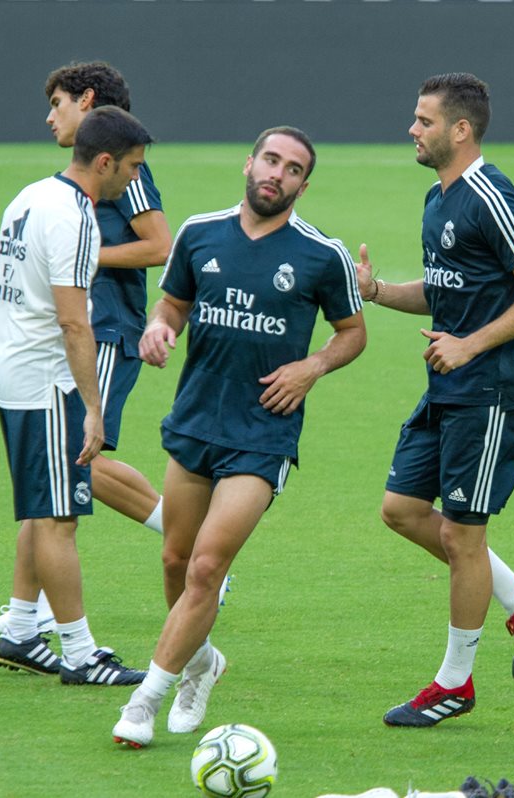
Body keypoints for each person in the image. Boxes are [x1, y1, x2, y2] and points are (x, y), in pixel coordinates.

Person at [112, 126, 366, 748]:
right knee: (175, 559)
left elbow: (352, 333)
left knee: (206, 565)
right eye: (271, 160)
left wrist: (313, 366)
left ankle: (146, 698)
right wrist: (158, 329)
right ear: (249, 163)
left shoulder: (320, 254)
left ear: (305, 184)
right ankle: (201, 663)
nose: (278, 174)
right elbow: (172, 305)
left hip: (263, 434)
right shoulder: (200, 234)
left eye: (294, 169)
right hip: (197, 419)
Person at [358, 73, 514, 727]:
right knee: (401, 509)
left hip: (489, 393)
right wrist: (381, 290)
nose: (411, 130)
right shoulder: (437, 197)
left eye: (422, 120)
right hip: (447, 387)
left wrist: (470, 346)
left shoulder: (490, 195)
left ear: (460, 129)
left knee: (463, 534)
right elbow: (448, 286)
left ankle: (455, 684)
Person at [0, 61, 174, 636]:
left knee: (69, 465)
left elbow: (160, 245)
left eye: (58, 102)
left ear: (86, 103)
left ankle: (184, 544)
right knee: (55, 473)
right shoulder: (67, 187)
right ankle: (24, 614)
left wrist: (70, 263)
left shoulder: (125, 167)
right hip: (78, 323)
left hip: (101, 326)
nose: (49, 115)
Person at [0, 105, 153, 686]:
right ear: (104, 161)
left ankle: (21, 633)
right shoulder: (77, 216)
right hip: (45, 380)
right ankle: (82, 655)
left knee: (42, 508)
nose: (135, 180)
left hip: (9, 372)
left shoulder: (30, 195)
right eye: (132, 168)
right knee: (59, 518)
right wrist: (92, 407)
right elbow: (74, 323)